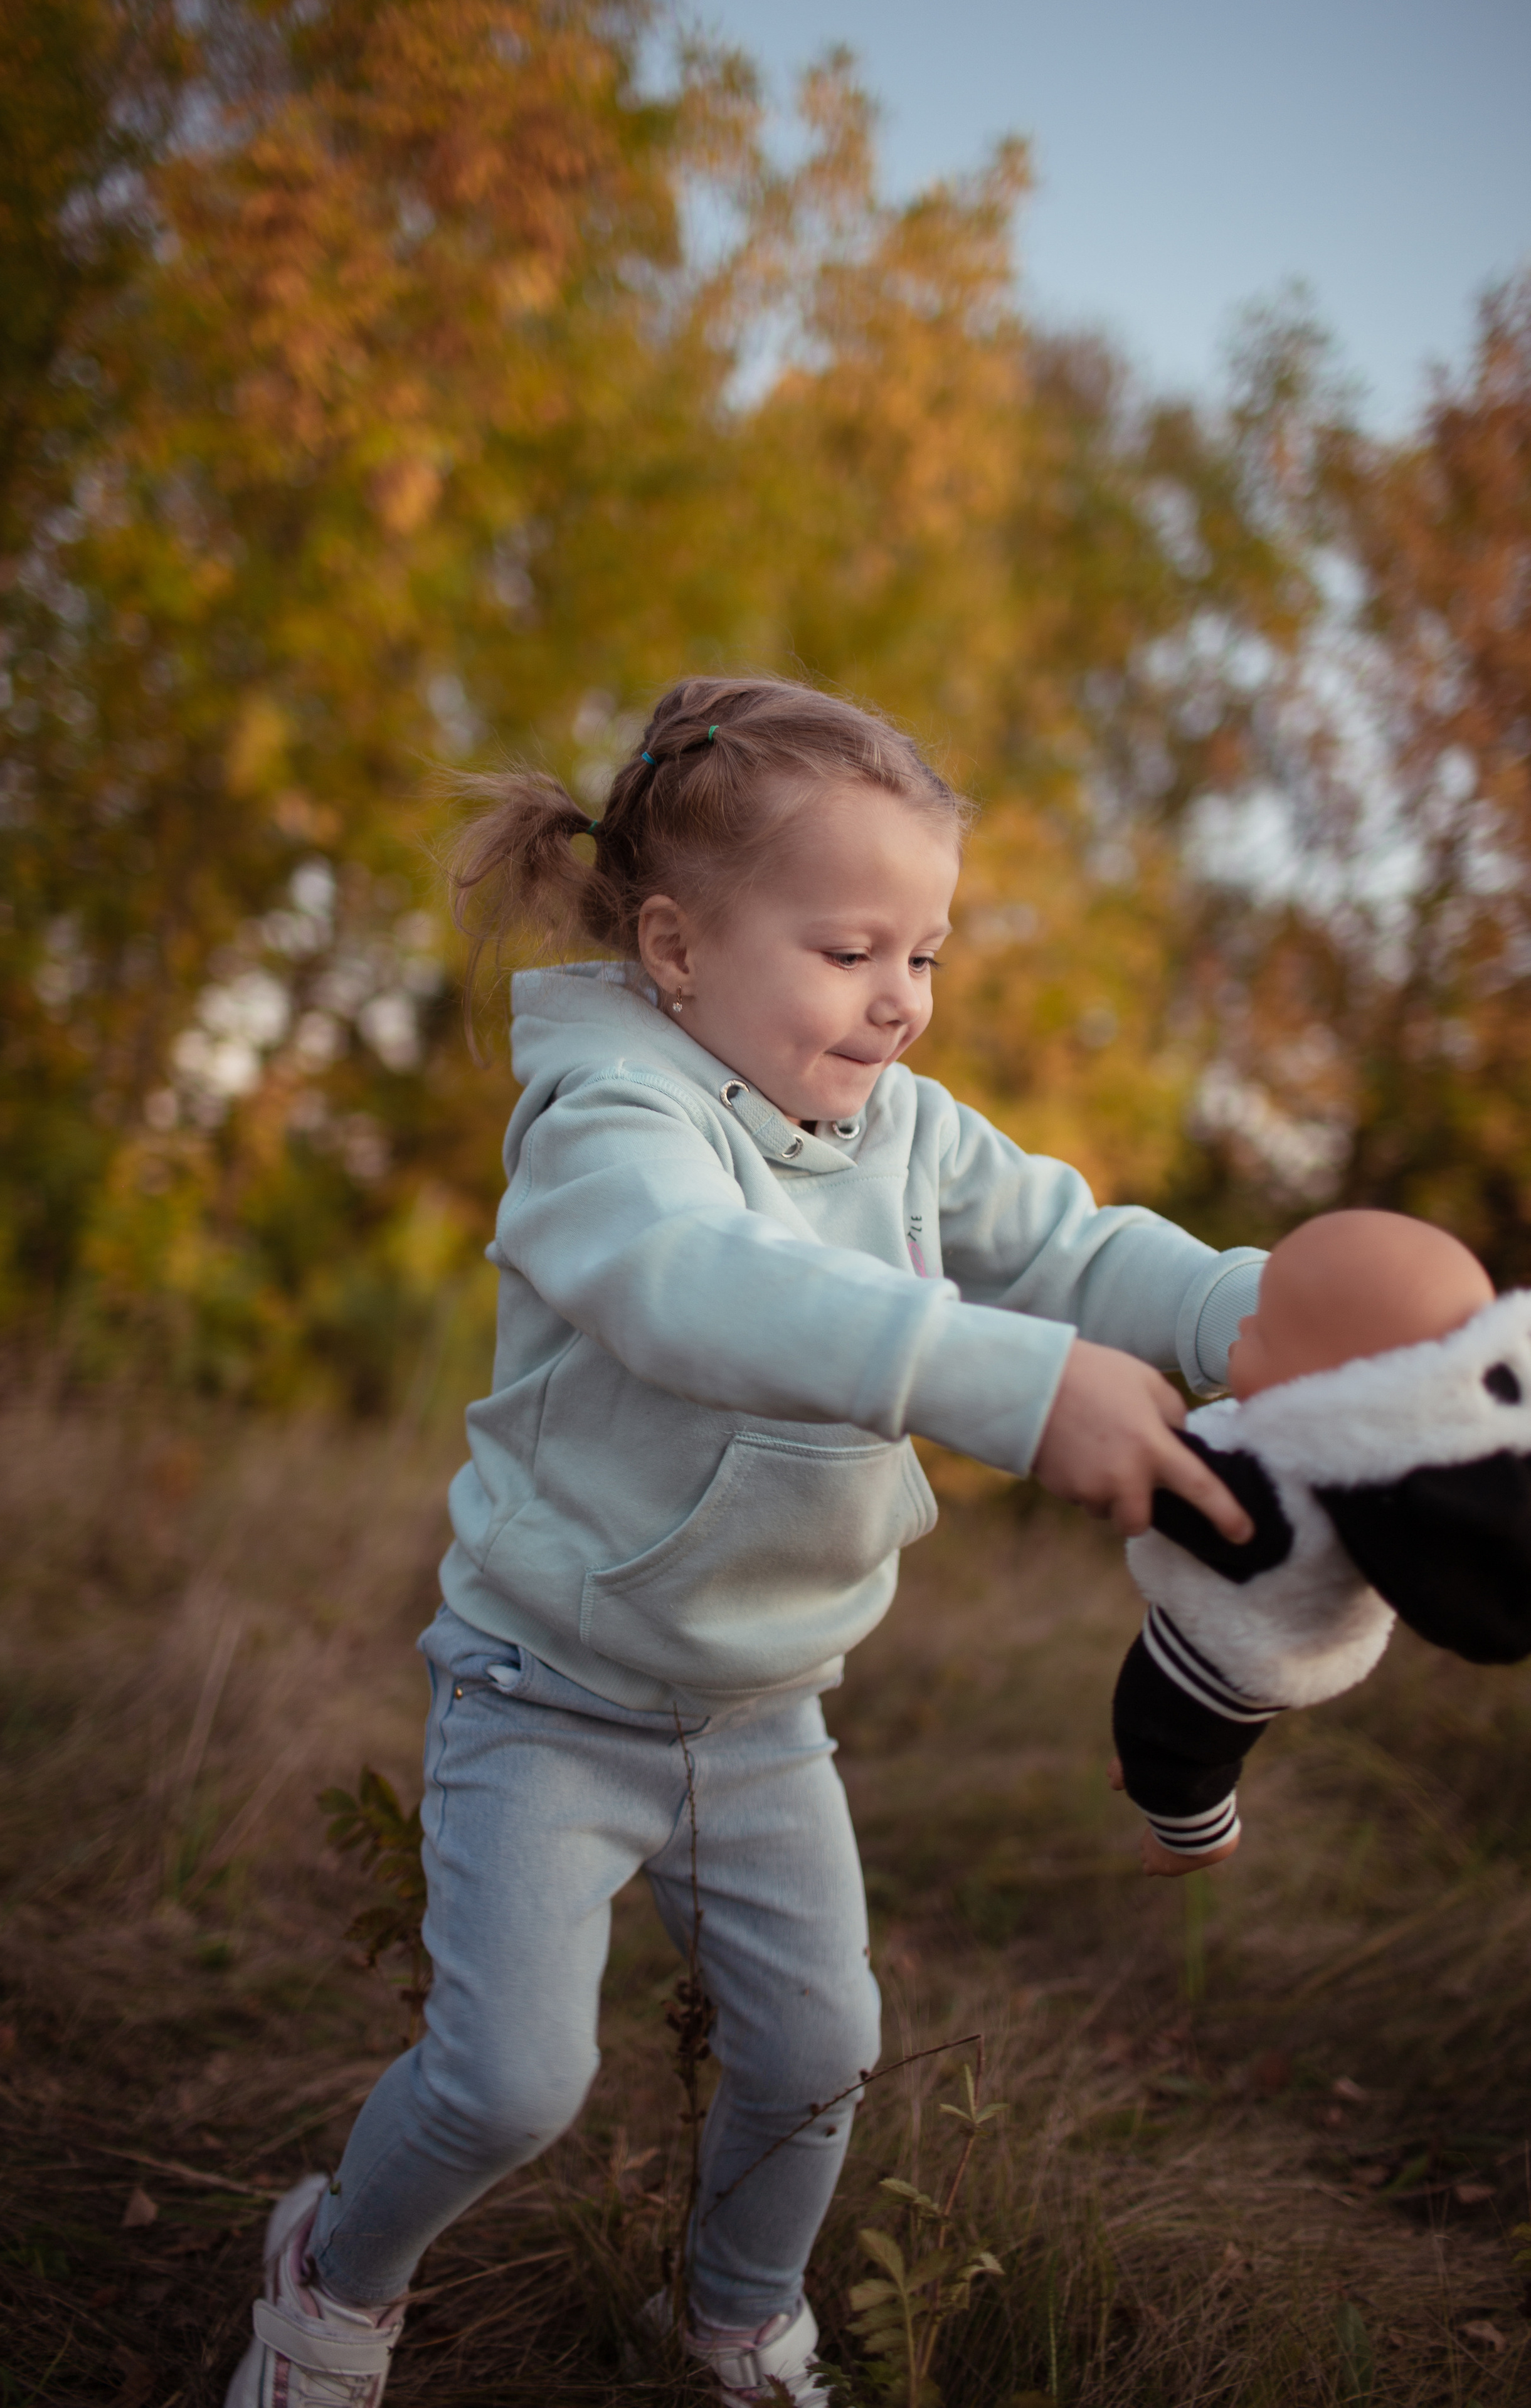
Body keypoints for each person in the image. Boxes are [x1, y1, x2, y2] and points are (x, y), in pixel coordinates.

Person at [225, 673, 1266, 2408]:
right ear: (680, 949)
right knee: (506, 2080)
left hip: (763, 1713)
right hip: (545, 1690)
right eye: (853, 949)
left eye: (927, 953)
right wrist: (1000, 1384)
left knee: (817, 2055)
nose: (902, 1004)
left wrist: (1254, 1316)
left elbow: (1076, 1252)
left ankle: (729, 2323)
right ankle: (330, 2284)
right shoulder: (607, 1127)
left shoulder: (908, 1133)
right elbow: (709, 1290)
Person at [1110, 1209, 1531, 1877]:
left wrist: (1126, 1440)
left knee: (1158, 1729)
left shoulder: (1278, 1499)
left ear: (1328, 1388)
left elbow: (1167, 1486)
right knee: (1171, 1728)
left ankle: (1192, 1831)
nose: (1243, 1322)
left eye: (1266, 1328)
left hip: (1232, 1654)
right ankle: (1165, 1758)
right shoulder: (1368, 1454)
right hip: (1261, 1627)